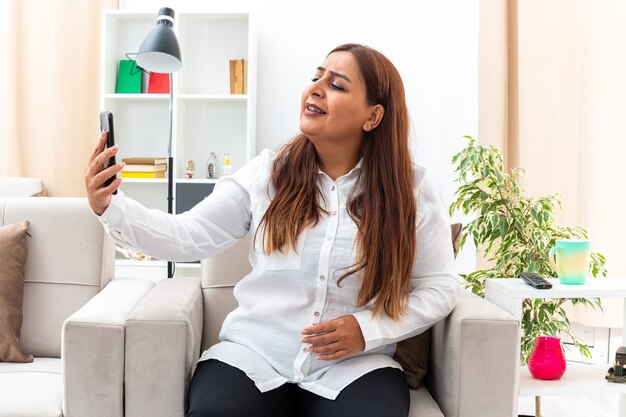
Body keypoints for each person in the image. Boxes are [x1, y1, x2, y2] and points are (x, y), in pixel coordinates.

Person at [85, 43, 459, 417]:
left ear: (373, 116)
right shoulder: (268, 173)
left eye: (337, 85)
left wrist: (367, 329)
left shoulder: (410, 192)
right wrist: (110, 206)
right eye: (316, 78)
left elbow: (439, 289)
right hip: (254, 354)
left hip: (357, 366)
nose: (315, 89)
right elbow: (189, 234)